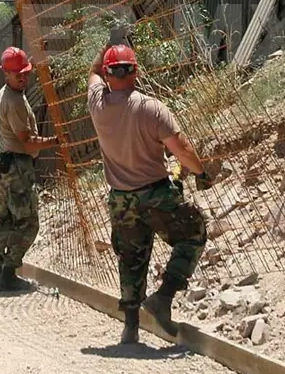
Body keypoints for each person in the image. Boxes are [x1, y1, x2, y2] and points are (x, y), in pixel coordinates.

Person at [87, 44, 211, 345]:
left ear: (107, 73)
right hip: (155, 193)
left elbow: (91, 73)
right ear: (136, 71)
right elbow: (181, 149)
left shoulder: (96, 104)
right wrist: (200, 172)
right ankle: (163, 297)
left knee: (131, 258)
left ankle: (130, 327)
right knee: (193, 233)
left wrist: (107, 44)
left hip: (120, 198)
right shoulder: (150, 107)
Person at [0, 47, 58, 293]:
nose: (23, 78)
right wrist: (54, 141)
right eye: (17, 74)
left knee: (4, 219)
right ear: (5, 73)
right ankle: (9, 273)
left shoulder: (6, 92)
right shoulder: (14, 101)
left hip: (4, 164)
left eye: (25, 73)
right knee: (27, 223)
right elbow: (27, 141)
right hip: (18, 166)